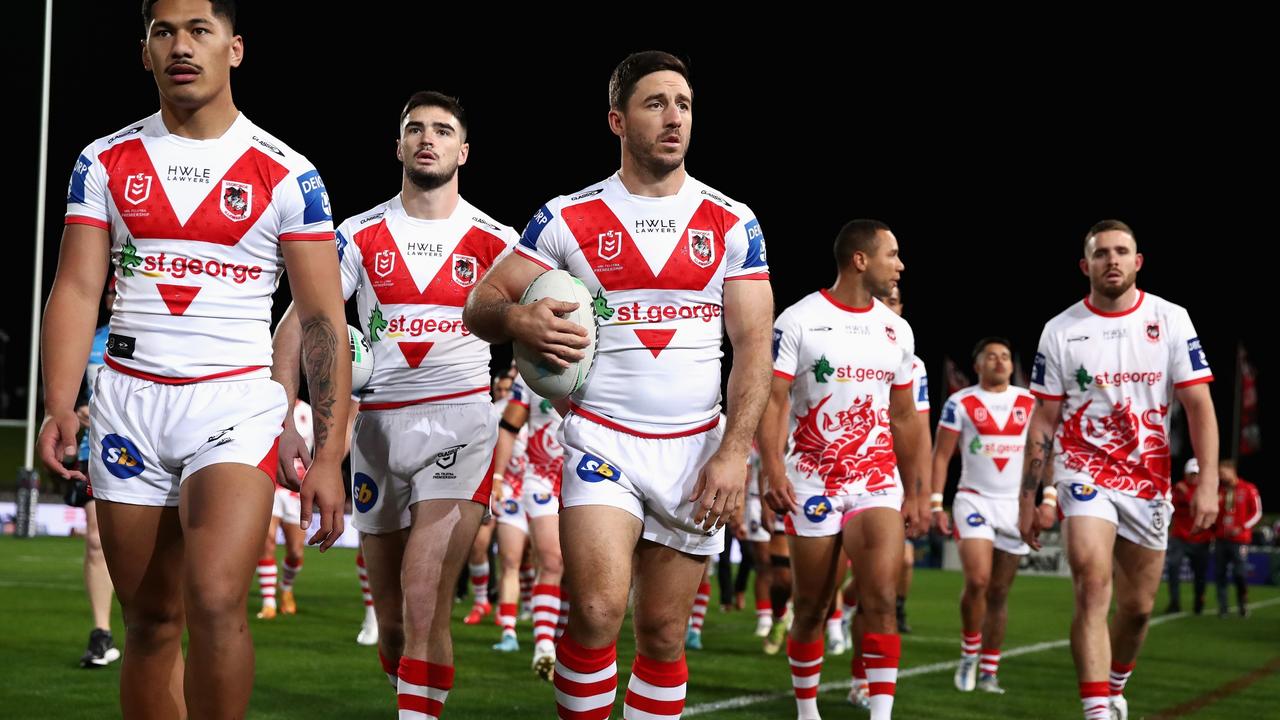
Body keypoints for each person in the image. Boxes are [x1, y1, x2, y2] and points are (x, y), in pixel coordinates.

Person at [37, 2, 350, 716]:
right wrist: (60, 402)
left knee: (213, 599)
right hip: (128, 406)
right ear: (143, 51)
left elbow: (324, 319)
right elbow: (78, 287)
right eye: (163, 32)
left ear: (234, 49)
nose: (181, 46)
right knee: (150, 624)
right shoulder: (103, 160)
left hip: (234, 406)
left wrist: (328, 451)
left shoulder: (288, 174)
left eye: (199, 30)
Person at [463, 50, 773, 719]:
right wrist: (518, 317)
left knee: (662, 633)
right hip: (603, 439)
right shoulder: (566, 218)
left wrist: (733, 451)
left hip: (697, 450)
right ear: (617, 120)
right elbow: (480, 303)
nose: (674, 118)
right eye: (655, 103)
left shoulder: (732, 222)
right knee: (598, 610)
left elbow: (753, 348)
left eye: (684, 105)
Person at [273, 90, 516, 714]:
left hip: (461, 426)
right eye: (415, 129)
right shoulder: (356, 235)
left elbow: (537, 331)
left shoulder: (500, 242)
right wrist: (284, 418)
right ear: (398, 146)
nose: (427, 138)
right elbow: (297, 326)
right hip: (376, 432)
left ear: (464, 150)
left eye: (442, 130)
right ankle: (410, 687)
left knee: (424, 590)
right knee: (394, 623)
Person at [1019, 220, 1219, 720]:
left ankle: (1114, 684)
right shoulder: (1060, 330)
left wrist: (1209, 481)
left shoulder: (1170, 319)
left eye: (1121, 251)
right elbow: (1043, 418)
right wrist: (1030, 495)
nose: (1112, 260)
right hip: (1082, 471)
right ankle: (1096, 711)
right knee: (1090, 578)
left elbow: (1198, 405)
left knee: (1137, 610)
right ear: (1085, 266)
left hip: (1148, 481)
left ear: (1137, 262)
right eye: (1101, 253)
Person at [760, 219, 930, 720]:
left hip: (876, 482)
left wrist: (918, 493)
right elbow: (772, 401)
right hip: (811, 481)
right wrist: (772, 468)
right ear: (860, 260)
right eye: (891, 254)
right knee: (811, 605)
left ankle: (881, 713)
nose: (899, 265)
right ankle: (807, 711)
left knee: (880, 595)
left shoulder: (897, 329)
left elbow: (905, 417)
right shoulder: (798, 319)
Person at [932, 337, 1047, 694]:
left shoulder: (1029, 403)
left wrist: (1047, 500)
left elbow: (1044, 454)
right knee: (978, 581)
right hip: (973, 500)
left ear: (1013, 366)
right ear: (977, 365)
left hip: (1014, 506)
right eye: (991, 357)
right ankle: (969, 653)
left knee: (998, 593)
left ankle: (989, 671)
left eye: (1005, 357)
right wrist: (937, 502)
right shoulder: (961, 402)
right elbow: (941, 455)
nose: (999, 362)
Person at [70, 280, 120, 668]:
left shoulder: (170, 337)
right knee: (95, 540)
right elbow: (71, 397)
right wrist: (76, 412)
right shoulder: (90, 340)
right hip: (97, 451)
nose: (116, 298)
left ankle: (156, 627)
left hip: (159, 453)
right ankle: (101, 634)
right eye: (110, 293)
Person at [254, 399, 313, 620]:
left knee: (296, 552)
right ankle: (268, 602)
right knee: (267, 541)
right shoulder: (266, 403)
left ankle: (286, 589)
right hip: (270, 483)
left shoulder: (308, 411)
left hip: (297, 488)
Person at [1163, 458, 1212, 614]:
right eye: (1191, 474)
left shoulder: (1206, 491)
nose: (1194, 477)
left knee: (1199, 574)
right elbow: (1168, 507)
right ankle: (1174, 603)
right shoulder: (1177, 489)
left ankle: (1199, 602)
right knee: (1173, 568)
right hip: (1180, 537)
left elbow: (1199, 507)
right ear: (1186, 474)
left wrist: (1188, 494)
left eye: (1197, 474)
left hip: (1201, 538)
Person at [1214, 459, 1261, 617]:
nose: (1221, 476)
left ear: (1231, 470)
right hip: (1221, 539)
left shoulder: (1248, 488)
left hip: (1240, 539)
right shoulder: (1219, 491)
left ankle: (1243, 604)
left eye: (1223, 473)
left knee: (1239, 574)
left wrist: (1241, 527)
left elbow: (1257, 513)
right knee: (1220, 574)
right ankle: (1223, 608)